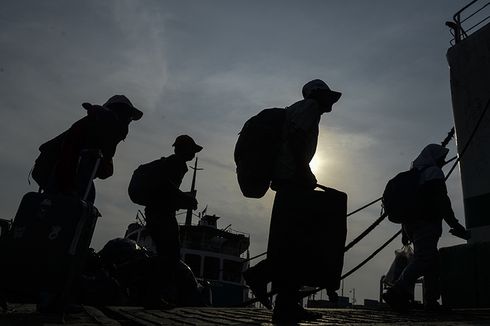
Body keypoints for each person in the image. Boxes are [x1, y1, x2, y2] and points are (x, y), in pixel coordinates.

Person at [244, 79, 342, 322]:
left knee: (292, 245)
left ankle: (286, 304)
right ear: (317, 94)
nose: (331, 100)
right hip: (293, 183)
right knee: (296, 245)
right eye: (328, 95)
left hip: (288, 183)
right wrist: (303, 171)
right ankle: (262, 278)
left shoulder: (300, 109)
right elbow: (297, 139)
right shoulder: (309, 107)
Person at [383, 144, 469, 312]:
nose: (443, 161)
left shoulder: (416, 174)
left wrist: (404, 231)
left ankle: (431, 301)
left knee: (431, 261)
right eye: (441, 158)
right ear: (435, 158)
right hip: (426, 223)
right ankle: (397, 290)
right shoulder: (433, 173)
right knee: (423, 258)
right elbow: (442, 201)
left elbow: (410, 204)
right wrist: (455, 224)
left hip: (411, 224)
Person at [32, 95, 143, 203]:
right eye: (129, 116)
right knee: (67, 205)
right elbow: (69, 155)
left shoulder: (105, 129)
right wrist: (68, 188)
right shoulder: (101, 126)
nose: (129, 121)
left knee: (81, 201)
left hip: (60, 170)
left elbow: (105, 169)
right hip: (57, 170)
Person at [140, 135, 202, 307]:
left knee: (166, 254)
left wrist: (181, 199)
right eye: (192, 150)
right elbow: (166, 188)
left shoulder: (171, 163)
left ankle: (153, 295)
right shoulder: (176, 164)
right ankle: (153, 296)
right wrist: (185, 199)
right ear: (183, 150)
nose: (193, 154)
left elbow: (166, 190)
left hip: (157, 212)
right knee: (170, 255)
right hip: (162, 214)